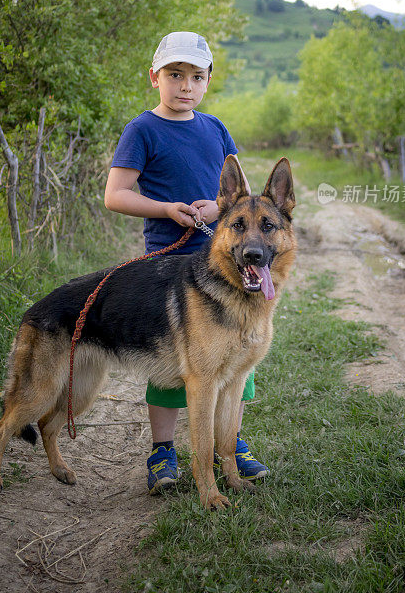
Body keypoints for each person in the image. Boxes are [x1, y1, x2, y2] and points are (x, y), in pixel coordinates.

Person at [104, 31, 269, 494]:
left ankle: (230, 444)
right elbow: (115, 195)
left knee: (237, 360)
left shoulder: (215, 128)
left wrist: (220, 210)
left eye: (196, 76)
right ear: (154, 77)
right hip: (170, 262)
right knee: (173, 366)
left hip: (227, 265)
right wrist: (167, 209)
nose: (185, 86)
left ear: (208, 80)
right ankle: (163, 451)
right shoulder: (142, 130)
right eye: (175, 75)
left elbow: (243, 194)